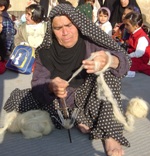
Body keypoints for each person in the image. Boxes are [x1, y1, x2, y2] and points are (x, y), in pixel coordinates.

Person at [4, 3, 131, 156]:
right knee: (28, 99)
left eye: (69, 25)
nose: (65, 32)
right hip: (61, 99)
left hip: (89, 95)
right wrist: (51, 86)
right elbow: (38, 83)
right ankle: (78, 117)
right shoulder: (45, 52)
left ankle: (110, 134)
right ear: (52, 29)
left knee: (109, 72)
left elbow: (125, 62)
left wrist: (110, 61)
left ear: (77, 24)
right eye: (58, 28)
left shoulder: (91, 44)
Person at [123, 12, 150, 76]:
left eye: (127, 25)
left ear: (136, 26)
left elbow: (139, 53)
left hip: (139, 60)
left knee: (124, 64)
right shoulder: (133, 34)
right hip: (133, 57)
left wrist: (127, 56)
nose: (125, 27)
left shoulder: (141, 37)